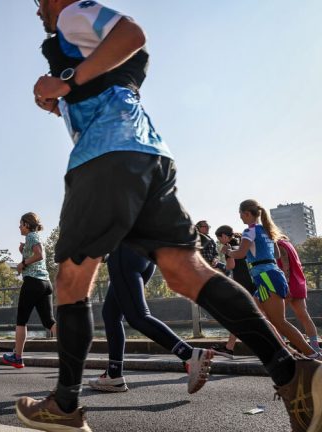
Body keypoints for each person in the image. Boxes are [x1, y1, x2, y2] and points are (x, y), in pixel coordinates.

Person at [17, 2, 322, 431]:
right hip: (145, 155)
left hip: (107, 158)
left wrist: (65, 80)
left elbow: (133, 35)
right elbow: (113, 76)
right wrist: (58, 101)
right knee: (185, 272)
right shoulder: (87, 49)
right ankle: (293, 376)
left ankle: (65, 405)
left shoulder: (71, 13)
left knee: (70, 279)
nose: (37, 12)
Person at [88, 244, 212, 394]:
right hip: (146, 255)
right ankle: (114, 375)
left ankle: (189, 355)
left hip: (124, 252)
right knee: (111, 314)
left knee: (137, 316)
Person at [222, 200, 319, 359]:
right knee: (252, 314)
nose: (240, 218)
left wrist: (228, 251)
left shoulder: (249, 231)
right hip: (270, 276)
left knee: (279, 322)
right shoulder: (267, 230)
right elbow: (276, 255)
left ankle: (312, 354)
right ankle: (285, 352)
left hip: (266, 278)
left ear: (247, 213)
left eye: (240, 215)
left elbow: (240, 254)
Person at [3, 213, 55, 368]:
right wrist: (23, 252)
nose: (19, 227)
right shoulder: (34, 237)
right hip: (45, 283)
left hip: (32, 283)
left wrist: (22, 263)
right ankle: (73, 348)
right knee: (49, 322)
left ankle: (17, 357)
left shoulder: (31, 236)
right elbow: (37, 257)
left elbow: (39, 255)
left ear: (26, 224)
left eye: (20, 224)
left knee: (21, 320)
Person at [210, 225, 258, 358]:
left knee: (238, 318)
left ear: (224, 236)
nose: (219, 241)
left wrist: (218, 264)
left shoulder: (228, 247)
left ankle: (281, 346)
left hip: (241, 285)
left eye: (219, 238)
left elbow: (231, 266)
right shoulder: (241, 243)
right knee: (250, 316)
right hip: (253, 282)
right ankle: (229, 348)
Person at [277, 235, 320, 352]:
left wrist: (286, 284)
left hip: (289, 284)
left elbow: (286, 266)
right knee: (304, 316)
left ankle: (283, 348)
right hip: (299, 283)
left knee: (278, 318)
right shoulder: (288, 244)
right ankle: (315, 347)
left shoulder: (279, 245)